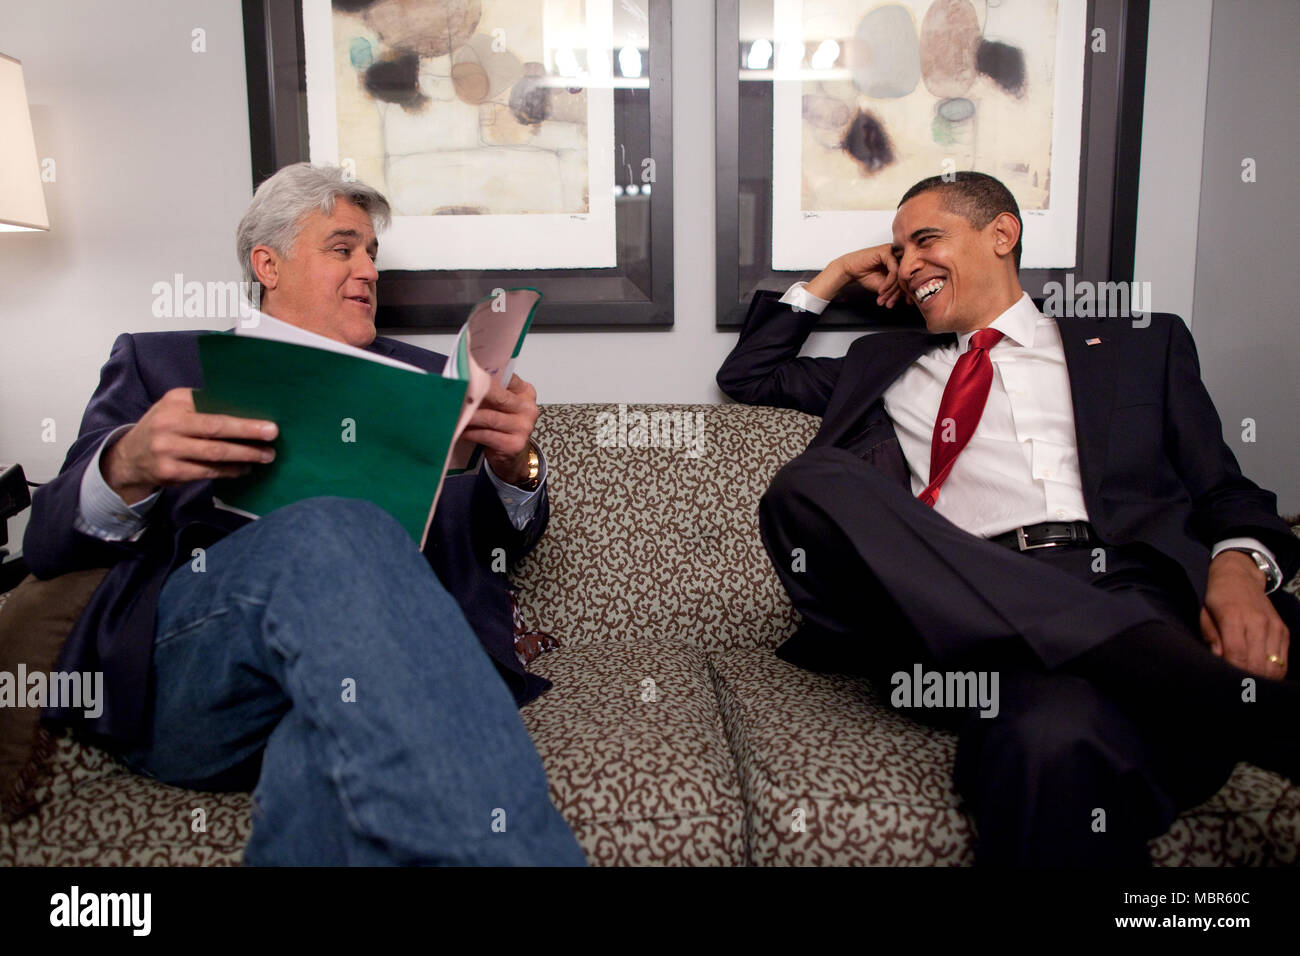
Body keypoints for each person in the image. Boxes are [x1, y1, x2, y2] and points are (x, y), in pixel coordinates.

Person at [717, 171, 1300, 865]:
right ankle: (1202, 688)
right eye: (898, 253)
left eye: (926, 240)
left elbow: (1225, 492)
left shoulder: (1144, 345)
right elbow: (748, 375)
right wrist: (839, 272)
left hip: (1126, 589)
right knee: (808, 486)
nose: (906, 265)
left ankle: (1157, 675)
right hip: (958, 608)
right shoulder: (882, 362)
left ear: (1002, 233)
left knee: (1045, 742)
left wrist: (1239, 569)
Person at [23, 163, 585, 866]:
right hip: (200, 676)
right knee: (334, 526)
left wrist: (514, 465)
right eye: (344, 248)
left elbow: (506, 540)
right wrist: (126, 462)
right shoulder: (162, 364)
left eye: (373, 253)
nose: (369, 270)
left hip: (370, 675)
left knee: (322, 751)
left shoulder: (426, 383)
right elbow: (45, 539)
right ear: (269, 264)